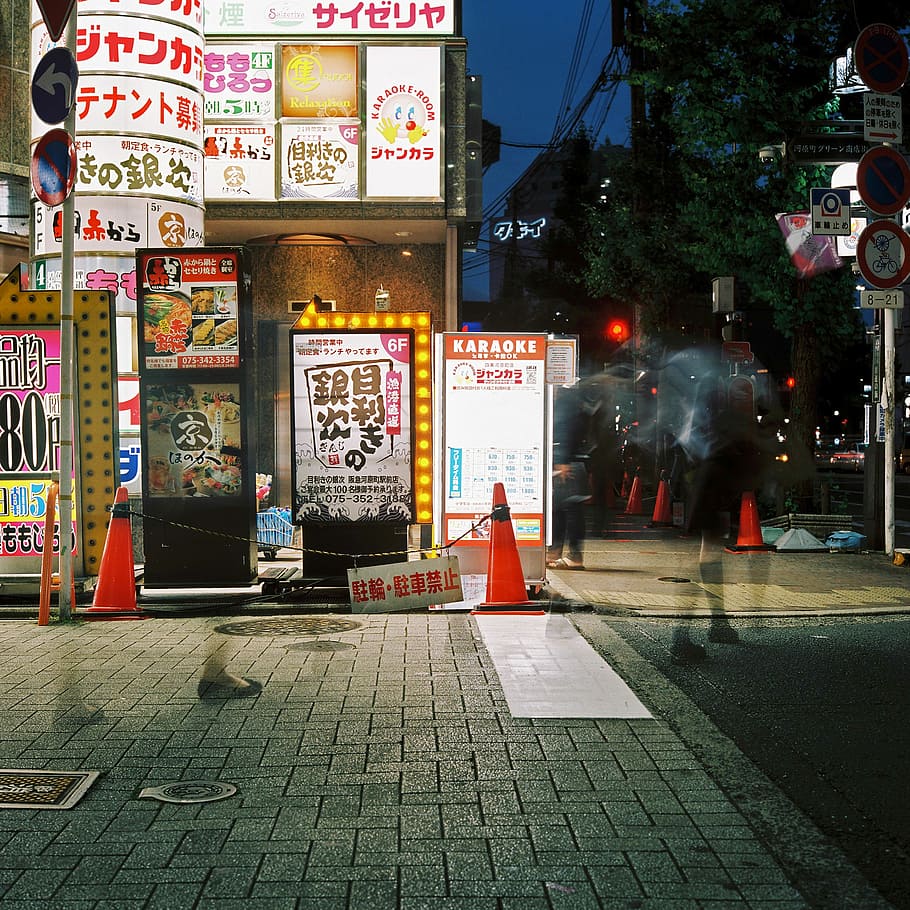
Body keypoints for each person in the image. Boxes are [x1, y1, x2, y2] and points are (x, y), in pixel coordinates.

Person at [547, 383, 591, 570]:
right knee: (560, 508)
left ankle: (572, 555)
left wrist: (562, 460)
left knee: (568, 510)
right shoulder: (569, 400)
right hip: (570, 461)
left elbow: (565, 431)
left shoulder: (565, 401)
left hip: (568, 464)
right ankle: (556, 552)